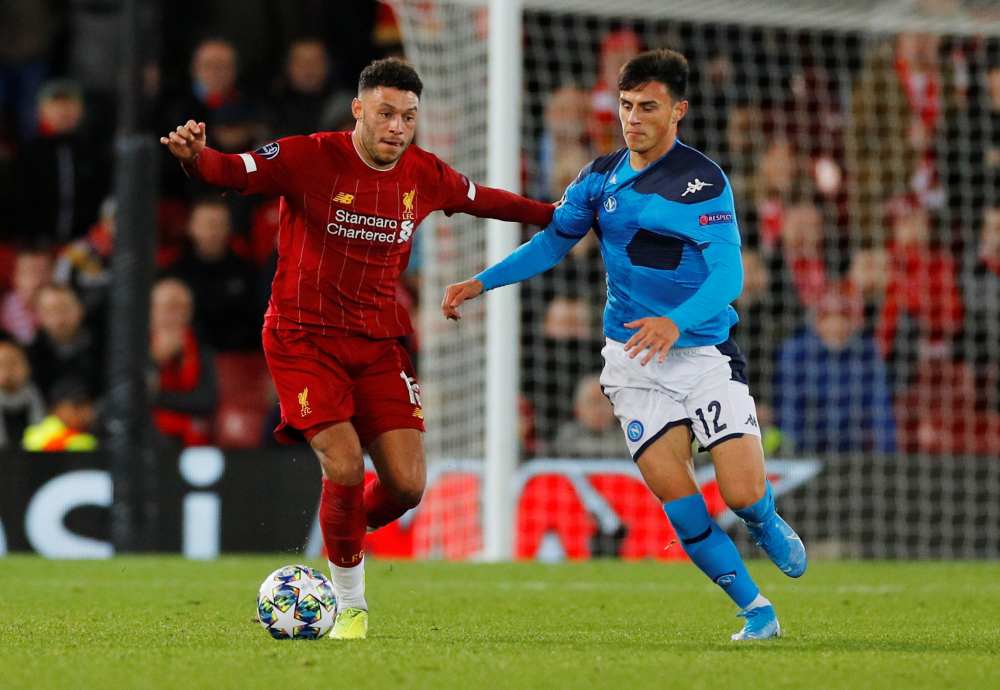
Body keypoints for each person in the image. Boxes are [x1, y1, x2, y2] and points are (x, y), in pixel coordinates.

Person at [160, 57, 553, 640]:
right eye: (387, 113)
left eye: (409, 117)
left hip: (377, 342)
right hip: (302, 337)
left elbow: (485, 199)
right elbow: (234, 171)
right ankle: (351, 606)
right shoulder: (310, 156)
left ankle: (339, 538)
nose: (398, 127)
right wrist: (196, 157)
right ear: (360, 110)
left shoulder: (423, 173)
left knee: (407, 485)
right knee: (342, 463)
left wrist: (560, 216)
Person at [443, 49, 805, 641]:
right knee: (682, 505)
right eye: (626, 105)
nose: (633, 118)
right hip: (633, 361)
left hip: (703, 356)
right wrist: (481, 282)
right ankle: (756, 610)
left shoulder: (702, 181)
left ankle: (762, 517)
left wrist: (676, 322)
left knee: (739, 492)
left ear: (678, 111)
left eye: (648, 107)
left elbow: (728, 277)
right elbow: (551, 244)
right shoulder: (598, 178)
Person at [22, 376, 97, 452]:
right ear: (56, 408)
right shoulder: (43, 431)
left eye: (87, 406)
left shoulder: (95, 432)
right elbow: (33, 444)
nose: (83, 414)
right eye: (76, 406)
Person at [0, 336, 45, 449]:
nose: (7, 370)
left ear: (28, 366)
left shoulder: (38, 395)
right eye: (1, 364)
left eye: (13, 363)